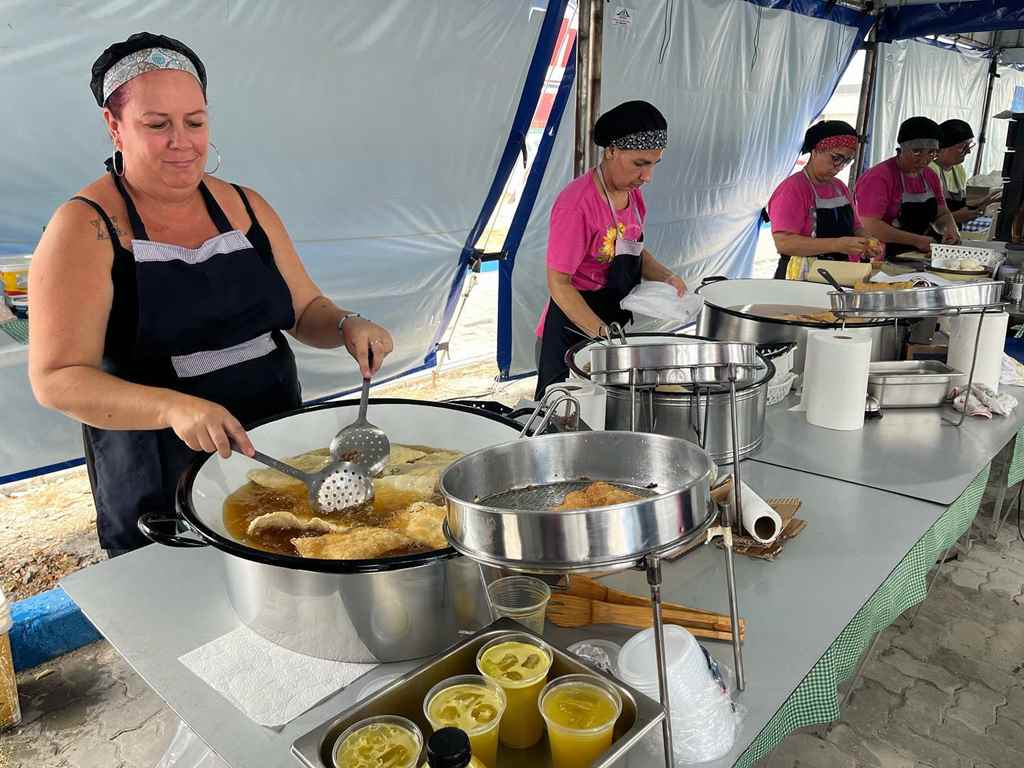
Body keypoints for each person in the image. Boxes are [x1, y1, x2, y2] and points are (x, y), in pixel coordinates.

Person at [28, 33, 394, 557]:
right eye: (157, 125)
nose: (183, 141)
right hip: (159, 461)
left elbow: (306, 310)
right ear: (115, 127)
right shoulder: (84, 228)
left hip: (276, 442)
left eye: (195, 122)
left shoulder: (246, 205)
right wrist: (174, 408)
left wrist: (345, 326)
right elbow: (57, 379)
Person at [534, 100, 685, 399]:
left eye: (654, 163)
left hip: (609, 322)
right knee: (566, 413)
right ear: (612, 151)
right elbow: (559, 284)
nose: (648, 176)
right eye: (640, 164)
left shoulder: (632, 196)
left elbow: (634, 251)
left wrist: (667, 277)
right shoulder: (578, 204)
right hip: (571, 326)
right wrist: (606, 336)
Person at [767, 121, 882, 280]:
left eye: (847, 161)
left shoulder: (839, 187)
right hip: (801, 278)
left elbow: (856, 227)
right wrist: (837, 245)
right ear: (815, 152)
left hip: (840, 274)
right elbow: (784, 243)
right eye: (836, 158)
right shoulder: (792, 189)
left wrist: (867, 241)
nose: (840, 167)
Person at [855, 116, 959, 259]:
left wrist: (950, 229)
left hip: (917, 255)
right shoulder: (879, 177)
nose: (924, 159)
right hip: (881, 257)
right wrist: (916, 240)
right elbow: (869, 225)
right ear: (901, 149)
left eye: (932, 153)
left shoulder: (930, 176)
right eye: (917, 151)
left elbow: (942, 214)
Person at [931, 119, 1000, 226]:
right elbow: (927, 220)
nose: (968, 151)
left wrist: (984, 201)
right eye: (963, 147)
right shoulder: (929, 171)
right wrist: (956, 217)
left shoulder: (958, 169)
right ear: (943, 147)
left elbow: (957, 206)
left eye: (969, 146)